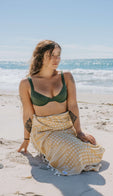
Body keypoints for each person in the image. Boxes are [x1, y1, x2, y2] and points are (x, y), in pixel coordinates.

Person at [18, 40, 105, 176]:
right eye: (51, 55)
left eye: (58, 55)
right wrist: (26, 140)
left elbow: (72, 105)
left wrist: (79, 132)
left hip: (66, 128)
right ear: (40, 56)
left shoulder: (66, 77)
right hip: (44, 132)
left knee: (93, 147)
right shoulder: (26, 84)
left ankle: (67, 151)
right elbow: (27, 114)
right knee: (75, 151)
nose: (56, 59)